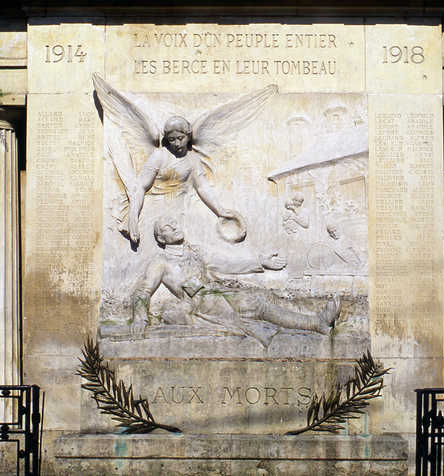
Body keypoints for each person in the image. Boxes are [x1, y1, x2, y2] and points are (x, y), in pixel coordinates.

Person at [131, 216, 342, 347]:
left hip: (217, 293)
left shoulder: (195, 251)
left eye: (174, 223)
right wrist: (140, 318)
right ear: (161, 238)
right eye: (167, 227)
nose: (174, 226)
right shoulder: (161, 261)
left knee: (261, 297)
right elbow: (143, 291)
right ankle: (316, 323)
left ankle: (315, 322)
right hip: (201, 302)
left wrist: (260, 262)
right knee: (255, 305)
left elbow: (226, 264)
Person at [127, 116, 236, 243]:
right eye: (172, 139)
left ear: (188, 136)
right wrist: (133, 217)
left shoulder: (193, 160)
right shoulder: (159, 156)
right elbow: (140, 186)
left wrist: (219, 210)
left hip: (180, 211)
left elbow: (202, 187)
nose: (177, 143)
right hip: (156, 212)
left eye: (180, 138)